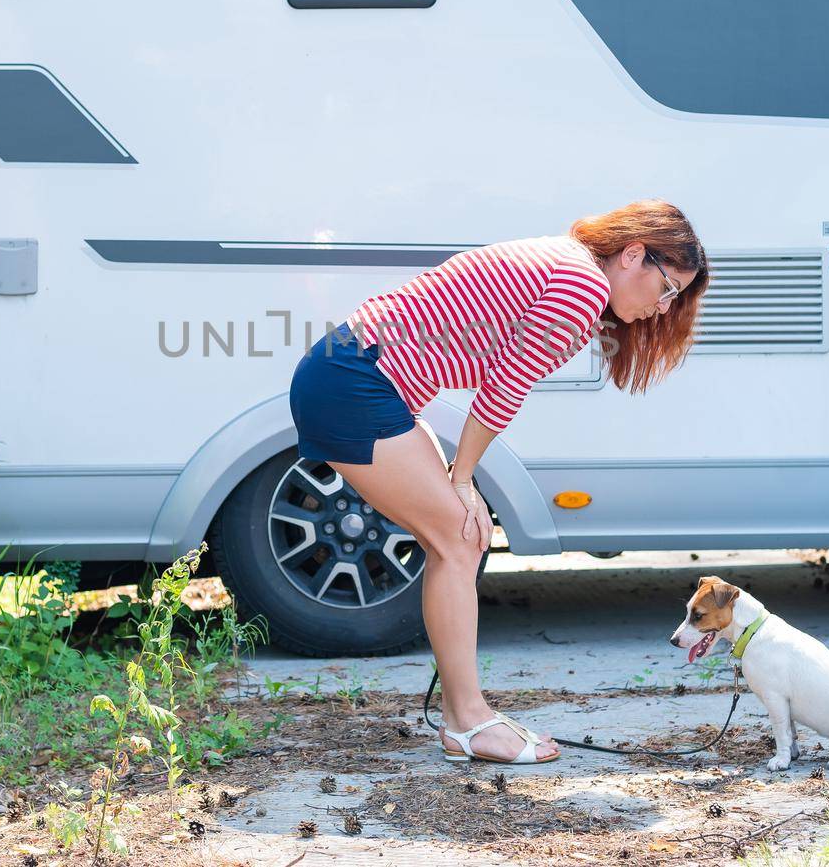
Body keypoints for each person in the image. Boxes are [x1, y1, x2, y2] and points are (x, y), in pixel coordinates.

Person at [287, 199, 709, 763]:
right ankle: (468, 721)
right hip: (354, 380)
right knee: (459, 536)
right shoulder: (582, 285)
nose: (663, 307)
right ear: (634, 253)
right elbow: (504, 390)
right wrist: (462, 480)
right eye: (668, 287)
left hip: (354, 372)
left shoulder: (570, 262)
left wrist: (460, 480)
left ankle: (467, 716)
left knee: (459, 538)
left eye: (675, 298)